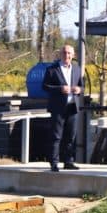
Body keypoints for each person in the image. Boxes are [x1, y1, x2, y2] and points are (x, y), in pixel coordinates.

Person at [42, 44, 83, 172]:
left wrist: (79, 89)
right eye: (64, 53)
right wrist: (60, 89)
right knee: (56, 136)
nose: (67, 55)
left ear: (73, 55)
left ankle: (68, 161)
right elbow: (45, 87)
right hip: (58, 108)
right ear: (61, 54)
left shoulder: (77, 69)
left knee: (71, 136)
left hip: (72, 107)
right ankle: (54, 163)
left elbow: (82, 86)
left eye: (69, 53)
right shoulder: (52, 69)